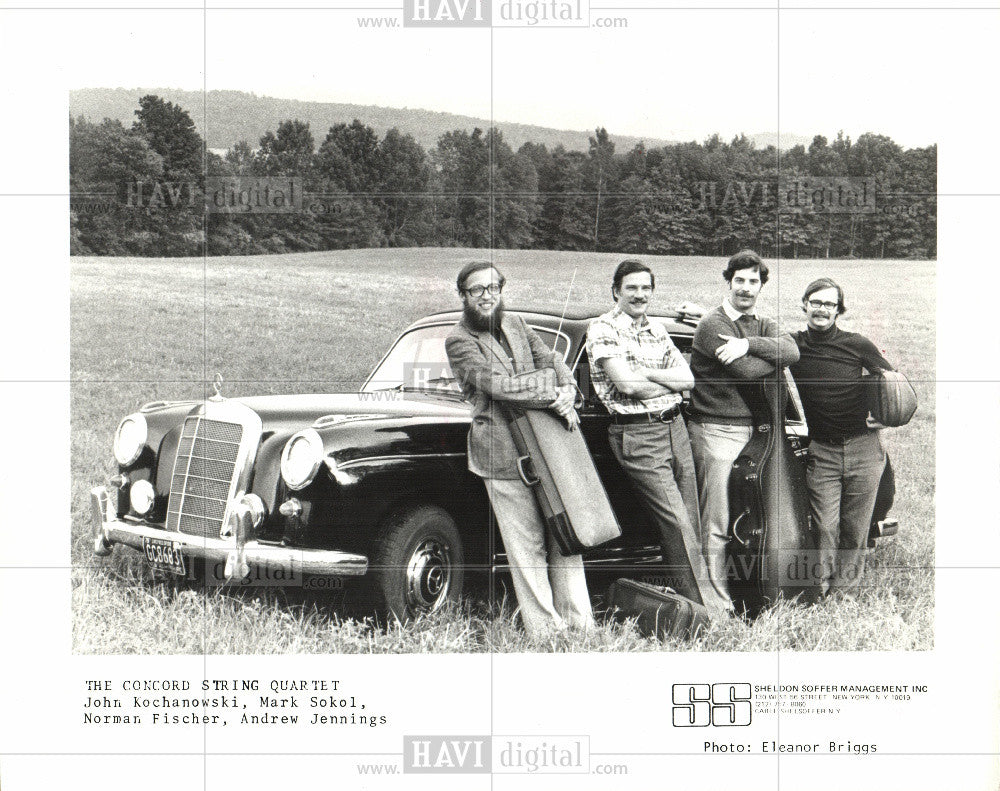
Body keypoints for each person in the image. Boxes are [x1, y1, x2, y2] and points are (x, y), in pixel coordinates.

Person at [444, 261, 594, 638]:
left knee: (566, 537)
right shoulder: (459, 340)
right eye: (477, 290)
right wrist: (552, 395)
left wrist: (567, 391)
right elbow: (498, 386)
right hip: (502, 456)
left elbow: (552, 361)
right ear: (463, 296)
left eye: (493, 287)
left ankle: (580, 625)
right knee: (526, 548)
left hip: (546, 448)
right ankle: (546, 632)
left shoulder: (518, 325)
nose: (487, 295)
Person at [586, 260, 728, 616]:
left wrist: (646, 372)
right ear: (616, 290)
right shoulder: (602, 329)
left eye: (646, 288)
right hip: (637, 433)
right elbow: (626, 386)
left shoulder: (655, 328)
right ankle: (707, 614)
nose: (639, 295)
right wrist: (661, 379)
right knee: (677, 524)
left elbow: (689, 380)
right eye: (631, 287)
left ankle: (696, 604)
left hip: (675, 427)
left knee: (690, 520)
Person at [687, 250, 800, 613]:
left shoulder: (761, 324)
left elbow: (793, 352)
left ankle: (748, 596)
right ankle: (717, 607)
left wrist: (749, 344)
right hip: (715, 431)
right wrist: (770, 358)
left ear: (761, 286)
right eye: (740, 280)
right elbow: (748, 373)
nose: (746, 288)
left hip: (755, 436)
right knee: (716, 524)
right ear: (729, 281)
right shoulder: (711, 323)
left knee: (749, 523)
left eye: (754, 281)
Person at [789, 277, 893, 596]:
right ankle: (818, 590)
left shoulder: (857, 344)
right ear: (805, 304)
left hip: (865, 448)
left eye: (829, 304)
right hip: (823, 450)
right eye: (816, 302)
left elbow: (892, 381)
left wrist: (884, 413)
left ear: (838, 310)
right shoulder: (793, 344)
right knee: (823, 526)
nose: (822, 309)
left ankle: (843, 593)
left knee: (855, 528)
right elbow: (754, 335)